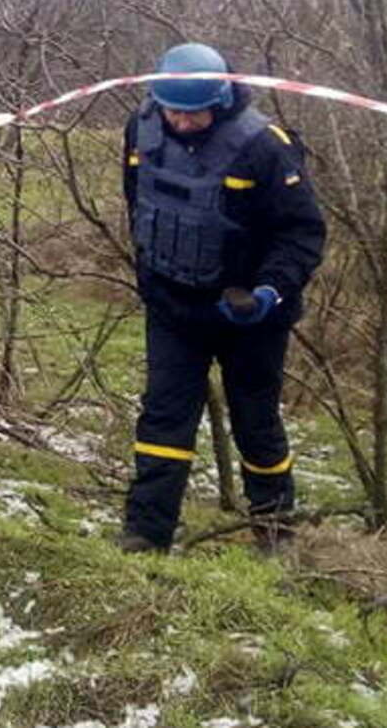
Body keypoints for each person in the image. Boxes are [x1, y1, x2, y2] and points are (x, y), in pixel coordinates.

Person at [116, 42, 327, 554]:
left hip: (250, 317)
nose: (181, 122)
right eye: (173, 111)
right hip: (174, 307)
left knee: (256, 422)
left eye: (194, 114)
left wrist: (267, 293)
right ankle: (146, 534)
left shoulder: (265, 148)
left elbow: (302, 233)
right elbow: (137, 200)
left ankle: (274, 531)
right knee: (163, 416)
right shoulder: (140, 131)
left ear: (222, 99)